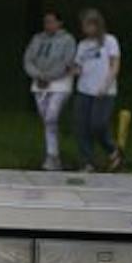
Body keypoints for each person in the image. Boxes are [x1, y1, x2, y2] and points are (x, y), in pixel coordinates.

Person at [22, 11, 78, 171]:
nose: (48, 25)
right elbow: (28, 59)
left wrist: (50, 77)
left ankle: (52, 155)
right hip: (39, 83)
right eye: (46, 22)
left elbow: (66, 62)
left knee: (52, 114)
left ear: (59, 23)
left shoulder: (67, 40)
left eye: (52, 22)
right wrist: (38, 75)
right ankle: (52, 156)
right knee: (47, 119)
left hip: (59, 83)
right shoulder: (38, 39)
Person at [72, 7, 123, 171]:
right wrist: (73, 70)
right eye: (83, 26)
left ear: (96, 25)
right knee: (82, 126)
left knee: (98, 124)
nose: (85, 29)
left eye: (88, 25)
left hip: (103, 91)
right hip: (84, 90)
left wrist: (106, 84)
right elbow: (79, 66)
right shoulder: (83, 45)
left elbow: (114, 64)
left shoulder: (110, 41)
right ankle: (87, 161)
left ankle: (112, 150)